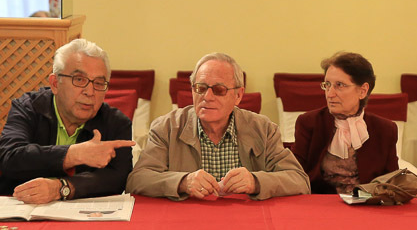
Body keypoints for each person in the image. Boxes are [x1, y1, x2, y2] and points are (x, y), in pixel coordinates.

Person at [126, 53, 309, 200]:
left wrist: (256, 182)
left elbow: (299, 180)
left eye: (219, 90)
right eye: (200, 88)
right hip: (186, 219)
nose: (207, 97)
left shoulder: (264, 129)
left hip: (246, 220)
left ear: (238, 95)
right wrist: (182, 182)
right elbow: (137, 179)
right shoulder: (166, 128)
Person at [0, 39, 135, 203]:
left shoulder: (116, 122)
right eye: (79, 80)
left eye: (99, 83)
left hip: (83, 215)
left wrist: (62, 188)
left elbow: (118, 178)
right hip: (19, 208)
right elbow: (9, 157)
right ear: (55, 84)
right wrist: (74, 154)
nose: (90, 92)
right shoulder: (29, 108)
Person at [292, 51, 399, 194]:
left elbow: (391, 182)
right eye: (327, 85)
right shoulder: (309, 122)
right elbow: (295, 173)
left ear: (362, 91)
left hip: (368, 203)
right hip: (320, 202)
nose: (330, 94)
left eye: (340, 85)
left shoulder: (385, 129)